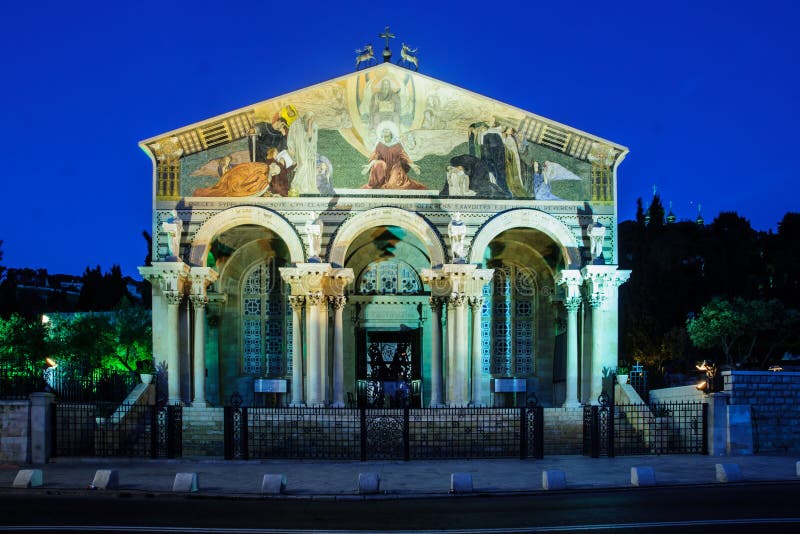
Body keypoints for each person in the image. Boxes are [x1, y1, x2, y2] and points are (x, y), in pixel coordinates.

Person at [362, 123, 426, 190]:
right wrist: (369, 165)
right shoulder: (380, 145)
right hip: (382, 170)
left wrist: (412, 165)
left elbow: (404, 156)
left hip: (395, 169)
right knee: (379, 163)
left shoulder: (397, 145)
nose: (386, 131)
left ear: (391, 132)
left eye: (388, 130)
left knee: (393, 185)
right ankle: (379, 182)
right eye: (384, 130)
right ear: (382, 133)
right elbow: (374, 157)